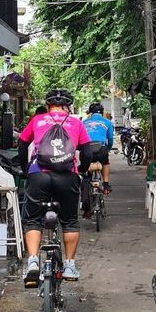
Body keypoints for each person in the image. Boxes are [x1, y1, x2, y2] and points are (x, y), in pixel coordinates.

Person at [18, 88, 93, 287]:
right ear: (68, 106)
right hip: (67, 176)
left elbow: (22, 144)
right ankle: (69, 265)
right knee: (69, 221)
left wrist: (25, 170)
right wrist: (81, 170)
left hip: (39, 175)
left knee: (33, 220)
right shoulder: (76, 123)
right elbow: (87, 152)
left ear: (48, 105)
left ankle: (33, 261)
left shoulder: (37, 120)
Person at [82, 101, 114, 192]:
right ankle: (106, 185)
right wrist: (108, 149)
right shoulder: (108, 122)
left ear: (90, 113)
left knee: (85, 164)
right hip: (102, 149)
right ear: (102, 112)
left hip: (87, 149)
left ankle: (87, 182)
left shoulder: (83, 122)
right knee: (105, 163)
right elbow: (110, 139)